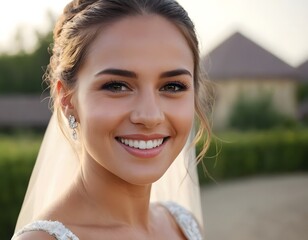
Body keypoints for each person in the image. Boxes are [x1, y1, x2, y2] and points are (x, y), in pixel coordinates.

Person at [12, 0, 212, 239]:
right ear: (67, 99)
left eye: (172, 86)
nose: (149, 116)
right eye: (117, 86)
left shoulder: (182, 225)